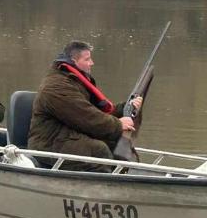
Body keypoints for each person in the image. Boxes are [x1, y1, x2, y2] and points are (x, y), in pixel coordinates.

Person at [28, 41, 142, 172]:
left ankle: (121, 178)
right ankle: (106, 188)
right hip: (48, 143)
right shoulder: (56, 86)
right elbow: (86, 117)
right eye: (87, 59)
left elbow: (95, 111)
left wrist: (125, 108)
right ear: (74, 61)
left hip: (67, 135)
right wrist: (117, 124)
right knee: (98, 150)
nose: (92, 63)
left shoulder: (74, 81)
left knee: (115, 141)